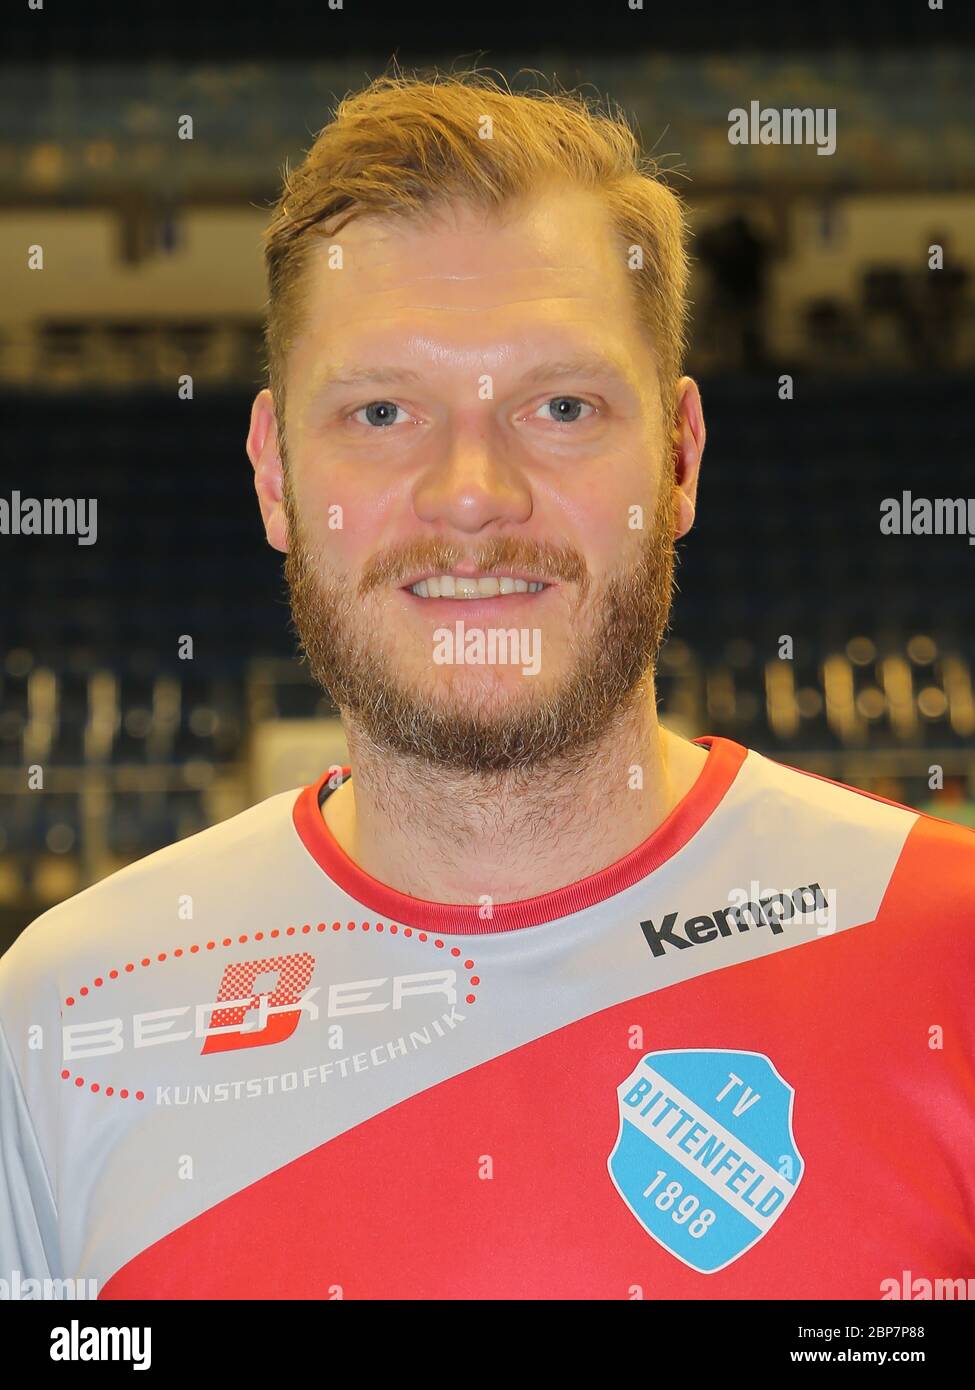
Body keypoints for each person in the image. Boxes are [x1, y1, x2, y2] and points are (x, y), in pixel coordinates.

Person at [1, 70, 972, 1301]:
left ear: (678, 458)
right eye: (383, 409)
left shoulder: (951, 951)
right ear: (273, 475)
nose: (472, 490)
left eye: (560, 405)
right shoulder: (64, 1017)